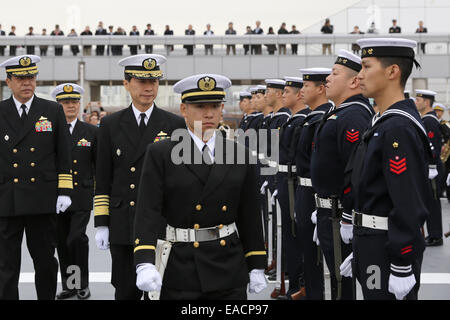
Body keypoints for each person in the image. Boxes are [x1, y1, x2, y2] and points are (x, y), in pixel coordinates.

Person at [133, 73, 267, 299]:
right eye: (200, 106)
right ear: (184, 110)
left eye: (215, 106)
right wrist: (144, 262)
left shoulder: (239, 154)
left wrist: (256, 263)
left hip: (228, 266)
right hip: (181, 266)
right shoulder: (161, 153)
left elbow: (250, 214)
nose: (209, 113)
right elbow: (148, 211)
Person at [344, 38, 431, 300]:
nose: (359, 76)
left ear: (392, 72)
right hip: (373, 242)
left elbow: (407, 201)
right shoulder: (383, 122)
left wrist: (401, 262)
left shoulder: (397, 127)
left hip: (386, 248)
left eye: (366, 66)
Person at [94, 54, 185, 300]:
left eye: (154, 82)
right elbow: (103, 176)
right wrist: (102, 222)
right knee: (125, 291)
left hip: (161, 222)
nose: (148, 88)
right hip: (124, 222)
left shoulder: (175, 124)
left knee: (165, 291)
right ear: (126, 83)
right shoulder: (111, 124)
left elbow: (181, 180)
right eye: (141, 81)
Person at [0, 55, 73, 299]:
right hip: (7, 198)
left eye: (30, 77)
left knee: (45, 262)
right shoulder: (0, 112)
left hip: (42, 198)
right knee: (6, 264)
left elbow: (64, 153)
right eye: (20, 78)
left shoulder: (51, 110)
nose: (26, 83)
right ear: (8, 81)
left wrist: (65, 191)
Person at [310, 50, 374, 300]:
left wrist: (346, 214)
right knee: (337, 282)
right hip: (329, 211)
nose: (327, 79)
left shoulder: (355, 114)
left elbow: (354, 169)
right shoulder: (340, 111)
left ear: (353, 81)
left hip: (340, 215)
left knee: (342, 284)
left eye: (334, 74)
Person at [50, 83, 97, 300]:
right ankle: (71, 285)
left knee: (76, 238)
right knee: (62, 240)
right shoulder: (50, 130)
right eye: (66, 102)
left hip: (81, 195)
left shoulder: (91, 132)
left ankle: (83, 283)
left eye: (74, 101)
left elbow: (99, 165)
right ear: (58, 105)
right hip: (58, 195)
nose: (71, 106)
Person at [295, 68, 333, 300]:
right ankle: (310, 290)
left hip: (313, 190)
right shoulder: (313, 116)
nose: (302, 91)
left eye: (306, 86)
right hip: (303, 187)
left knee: (316, 251)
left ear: (320, 88)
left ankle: (316, 293)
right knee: (306, 247)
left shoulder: (323, 116)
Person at [276, 76, 310, 299]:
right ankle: (294, 283)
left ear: (299, 95)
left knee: (296, 236)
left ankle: (297, 284)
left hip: (294, 183)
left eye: (287, 91)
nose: (282, 95)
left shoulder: (302, 121)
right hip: (285, 181)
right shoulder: (293, 120)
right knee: (289, 235)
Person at [415, 89, 443, 247]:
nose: (416, 103)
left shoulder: (430, 121)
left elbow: (433, 147)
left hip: (432, 168)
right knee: (429, 202)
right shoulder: (426, 119)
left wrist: (431, 166)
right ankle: (433, 234)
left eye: (419, 100)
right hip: (429, 167)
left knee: (432, 203)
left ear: (426, 102)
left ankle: (436, 236)